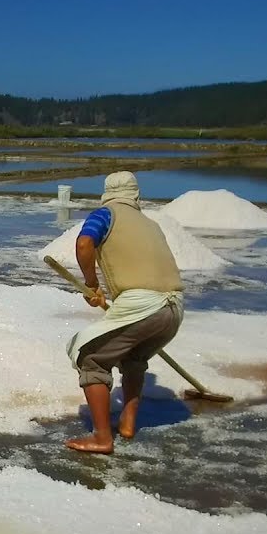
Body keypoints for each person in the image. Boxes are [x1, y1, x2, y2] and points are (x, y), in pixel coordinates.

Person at [64, 171, 184, 454]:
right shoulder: (151, 224)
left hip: (144, 306)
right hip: (173, 308)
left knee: (90, 356)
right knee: (134, 357)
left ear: (106, 193)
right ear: (136, 195)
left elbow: (84, 243)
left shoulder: (104, 215)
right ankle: (128, 423)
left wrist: (91, 284)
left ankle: (102, 438)